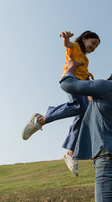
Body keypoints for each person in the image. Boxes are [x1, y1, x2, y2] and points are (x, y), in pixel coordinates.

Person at [60, 57, 112, 202]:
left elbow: (67, 84)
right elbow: (106, 110)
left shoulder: (107, 87)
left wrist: (70, 68)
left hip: (111, 163)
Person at [22, 30, 100, 177]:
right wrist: (66, 39)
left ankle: (70, 152)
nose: (94, 47)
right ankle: (39, 120)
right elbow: (68, 45)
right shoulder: (76, 46)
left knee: (84, 114)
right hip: (71, 81)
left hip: (81, 86)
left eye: (96, 47)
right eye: (93, 43)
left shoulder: (85, 59)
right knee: (79, 107)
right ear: (84, 39)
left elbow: (84, 76)